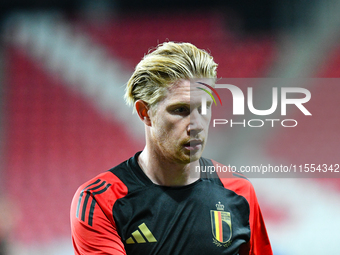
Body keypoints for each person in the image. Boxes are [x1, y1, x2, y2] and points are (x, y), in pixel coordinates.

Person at [70, 42, 273, 254]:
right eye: (180, 110)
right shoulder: (100, 201)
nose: (196, 125)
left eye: (204, 108)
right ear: (145, 112)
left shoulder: (239, 190)